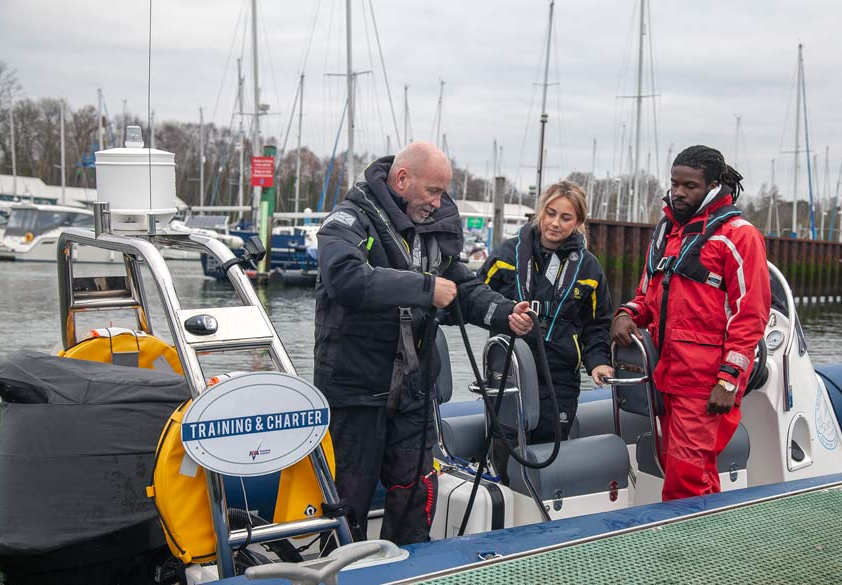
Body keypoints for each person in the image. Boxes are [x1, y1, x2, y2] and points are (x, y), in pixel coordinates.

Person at [314, 141, 533, 544]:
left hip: (413, 390)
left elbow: (462, 288)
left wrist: (505, 313)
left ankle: (410, 565)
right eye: (433, 190)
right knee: (348, 498)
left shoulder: (434, 232)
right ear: (402, 179)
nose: (439, 201)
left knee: (414, 491)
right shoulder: (348, 220)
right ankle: (344, 568)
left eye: (443, 191)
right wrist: (425, 287)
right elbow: (344, 277)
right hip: (356, 390)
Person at [611, 145, 770, 501]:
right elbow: (648, 292)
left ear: (713, 186)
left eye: (690, 186)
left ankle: (684, 550)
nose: (679, 192)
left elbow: (751, 316)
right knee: (683, 469)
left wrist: (729, 382)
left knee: (687, 477)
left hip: (703, 382)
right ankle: (704, 543)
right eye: (674, 183)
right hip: (666, 373)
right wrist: (627, 313)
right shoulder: (668, 231)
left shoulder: (739, 236)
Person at [480, 180, 614, 471]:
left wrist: (599, 362)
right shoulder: (505, 256)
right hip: (509, 372)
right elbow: (474, 300)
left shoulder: (589, 268)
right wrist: (504, 314)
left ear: (578, 222)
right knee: (505, 453)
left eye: (565, 218)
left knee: (548, 453)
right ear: (541, 212)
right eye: (550, 213)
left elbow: (598, 324)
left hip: (559, 377)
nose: (555, 223)